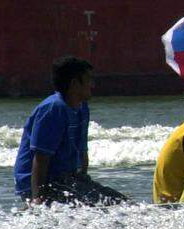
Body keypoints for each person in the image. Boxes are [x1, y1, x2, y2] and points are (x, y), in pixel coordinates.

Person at [13, 56, 127, 205]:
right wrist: (37, 198)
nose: (93, 84)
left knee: (123, 202)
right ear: (74, 84)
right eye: (89, 80)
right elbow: (41, 158)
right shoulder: (53, 109)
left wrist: (84, 181)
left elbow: (82, 150)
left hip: (67, 179)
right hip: (43, 183)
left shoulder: (82, 107)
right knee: (108, 205)